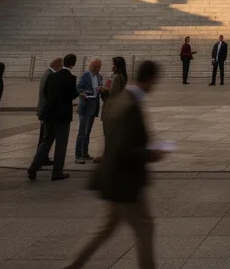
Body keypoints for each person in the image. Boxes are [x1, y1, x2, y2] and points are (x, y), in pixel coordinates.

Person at [62, 60, 166, 269]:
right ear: (151, 80)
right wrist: (150, 153)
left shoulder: (123, 98)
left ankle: (71, 266)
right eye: (155, 82)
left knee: (104, 229)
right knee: (144, 227)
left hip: (113, 178)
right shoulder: (129, 104)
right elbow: (122, 148)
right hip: (123, 181)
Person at [29, 53, 76, 181]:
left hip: (49, 114)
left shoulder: (52, 76)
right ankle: (57, 172)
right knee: (61, 143)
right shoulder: (71, 78)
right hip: (62, 116)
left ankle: (34, 166)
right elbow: (73, 95)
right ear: (73, 64)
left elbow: (45, 92)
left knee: (46, 141)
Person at [76, 57, 104, 164]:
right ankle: (78, 155)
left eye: (99, 66)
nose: (98, 68)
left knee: (88, 132)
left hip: (93, 106)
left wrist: (102, 89)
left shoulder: (99, 76)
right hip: (85, 106)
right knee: (82, 132)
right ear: (91, 66)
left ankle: (85, 153)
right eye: (96, 66)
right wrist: (84, 93)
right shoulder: (85, 75)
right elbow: (78, 87)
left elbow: (98, 89)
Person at [35, 57, 61, 163]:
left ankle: (42, 158)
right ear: (58, 65)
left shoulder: (46, 73)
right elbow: (49, 94)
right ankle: (39, 160)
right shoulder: (51, 75)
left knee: (44, 136)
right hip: (47, 111)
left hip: (44, 109)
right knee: (46, 137)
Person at [101, 56, 128, 132]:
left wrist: (104, 90)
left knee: (108, 131)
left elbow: (113, 93)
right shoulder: (122, 76)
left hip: (111, 107)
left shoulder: (116, 77)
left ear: (116, 65)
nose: (111, 65)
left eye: (112, 64)